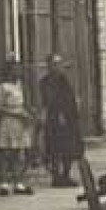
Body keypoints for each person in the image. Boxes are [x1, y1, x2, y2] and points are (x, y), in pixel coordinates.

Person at [39, 54, 83, 187]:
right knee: (54, 149)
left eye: (59, 64)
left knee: (69, 148)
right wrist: (58, 114)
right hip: (55, 119)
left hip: (69, 119)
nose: (57, 67)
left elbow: (69, 97)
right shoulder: (45, 82)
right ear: (49, 66)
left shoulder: (64, 80)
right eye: (54, 64)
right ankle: (56, 176)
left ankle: (66, 175)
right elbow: (49, 100)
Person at [0, 58, 35, 195]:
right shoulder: (2, 87)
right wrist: (17, 114)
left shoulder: (20, 85)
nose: (18, 72)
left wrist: (27, 114)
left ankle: (18, 182)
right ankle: (4, 183)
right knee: (6, 152)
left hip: (20, 121)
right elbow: (0, 107)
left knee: (18, 153)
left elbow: (23, 103)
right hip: (8, 120)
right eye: (15, 69)